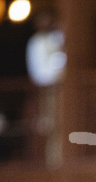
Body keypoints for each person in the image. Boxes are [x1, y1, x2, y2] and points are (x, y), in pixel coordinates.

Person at [26, 9, 66, 167]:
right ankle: (51, 163)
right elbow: (38, 71)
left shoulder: (56, 39)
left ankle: (60, 160)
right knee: (49, 126)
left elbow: (64, 57)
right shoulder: (36, 43)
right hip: (47, 88)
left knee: (63, 125)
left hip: (61, 88)